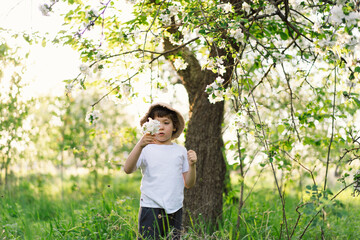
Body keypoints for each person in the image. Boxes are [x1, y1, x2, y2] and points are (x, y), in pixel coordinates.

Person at [124, 102, 197, 240]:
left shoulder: (180, 151)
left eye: (166, 122)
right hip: (150, 207)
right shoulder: (145, 148)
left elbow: (189, 183)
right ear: (149, 127)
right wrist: (140, 144)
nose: (161, 127)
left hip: (174, 208)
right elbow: (127, 169)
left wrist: (192, 165)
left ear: (174, 126)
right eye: (157, 123)